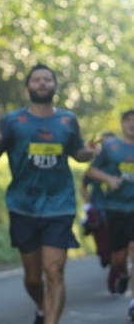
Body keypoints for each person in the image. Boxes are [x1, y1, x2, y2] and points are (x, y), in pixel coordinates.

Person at [0, 63, 97, 324]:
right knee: (34, 279)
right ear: (28, 88)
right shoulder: (12, 121)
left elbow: (77, 152)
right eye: (37, 80)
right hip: (23, 205)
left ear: (55, 86)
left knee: (54, 271)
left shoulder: (67, 120)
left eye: (47, 79)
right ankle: (42, 306)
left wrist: (87, 154)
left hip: (60, 204)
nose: (42, 83)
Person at [86, 110, 134, 319]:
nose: (132, 125)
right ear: (123, 124)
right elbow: (91, 171)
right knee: (119, 258)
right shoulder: (111, 147)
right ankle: (123, 273)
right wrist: (108, 179)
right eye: (129, 121)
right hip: (115, 209)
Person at [80, 131, 115, 291]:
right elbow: (84, 183)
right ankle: (105, 257)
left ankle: (115, 278)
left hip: (120, 212)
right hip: (99, 212)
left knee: (120, 249)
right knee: (103, 249)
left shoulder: (125, 160)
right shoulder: (96, 166)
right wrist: (89, 206)